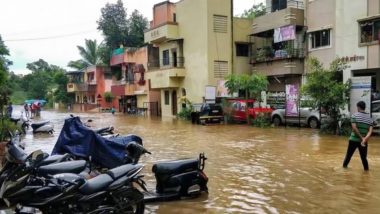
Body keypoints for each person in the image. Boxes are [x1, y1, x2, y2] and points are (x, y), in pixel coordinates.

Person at [343, 101, 374, 171]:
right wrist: (364, 139)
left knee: (348, 156)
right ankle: (366, 172)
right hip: (364, 142)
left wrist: (361, 137)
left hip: (353, 139)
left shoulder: (354, 116)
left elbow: (354, 128)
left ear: (358, 107)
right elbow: (370, 131)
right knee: (364, 158)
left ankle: (344, 170)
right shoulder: (369, 118)